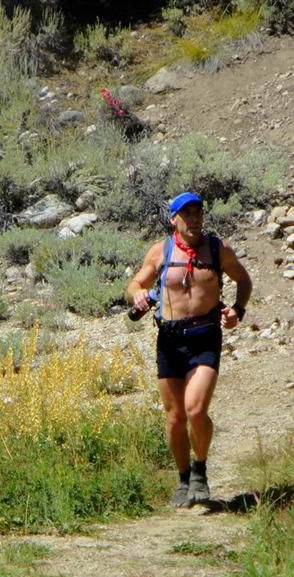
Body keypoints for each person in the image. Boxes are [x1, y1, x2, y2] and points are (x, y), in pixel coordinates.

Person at [126, 191, 252, 507]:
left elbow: (243, 279)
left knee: (196, 409)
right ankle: (183, 481)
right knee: (175, 418)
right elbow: (134, 285)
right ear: (174, 219)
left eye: (198, 213)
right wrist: (139, 296)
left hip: (205, 335)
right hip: (169, 339)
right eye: (187, 214)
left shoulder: (217, 248)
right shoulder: (160, 251)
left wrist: (238, 309)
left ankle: (200, 470)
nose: (194, 220)